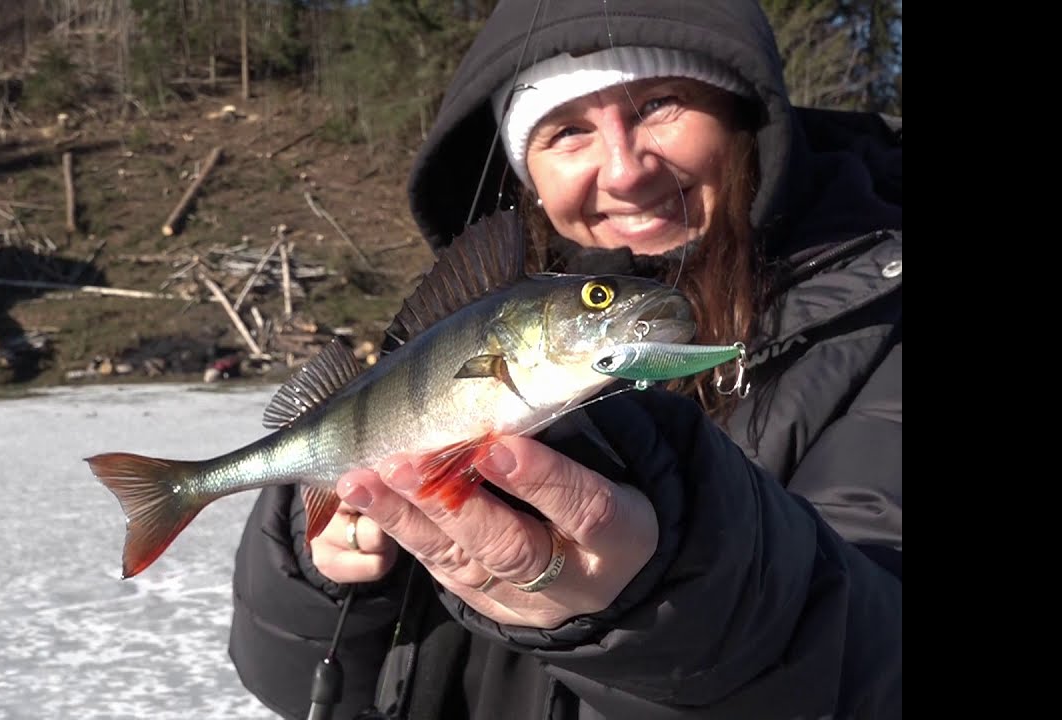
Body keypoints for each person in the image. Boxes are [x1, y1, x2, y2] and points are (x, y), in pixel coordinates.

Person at [229, 1, 901, 718]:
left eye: (660, 103)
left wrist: (674, 591)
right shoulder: (461, 328)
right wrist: (330, 573)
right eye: (569, 130)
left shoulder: (880, 334)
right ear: (527, 172)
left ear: (745, 116)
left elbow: (878, 658)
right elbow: (291, 682)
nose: (625, 169)